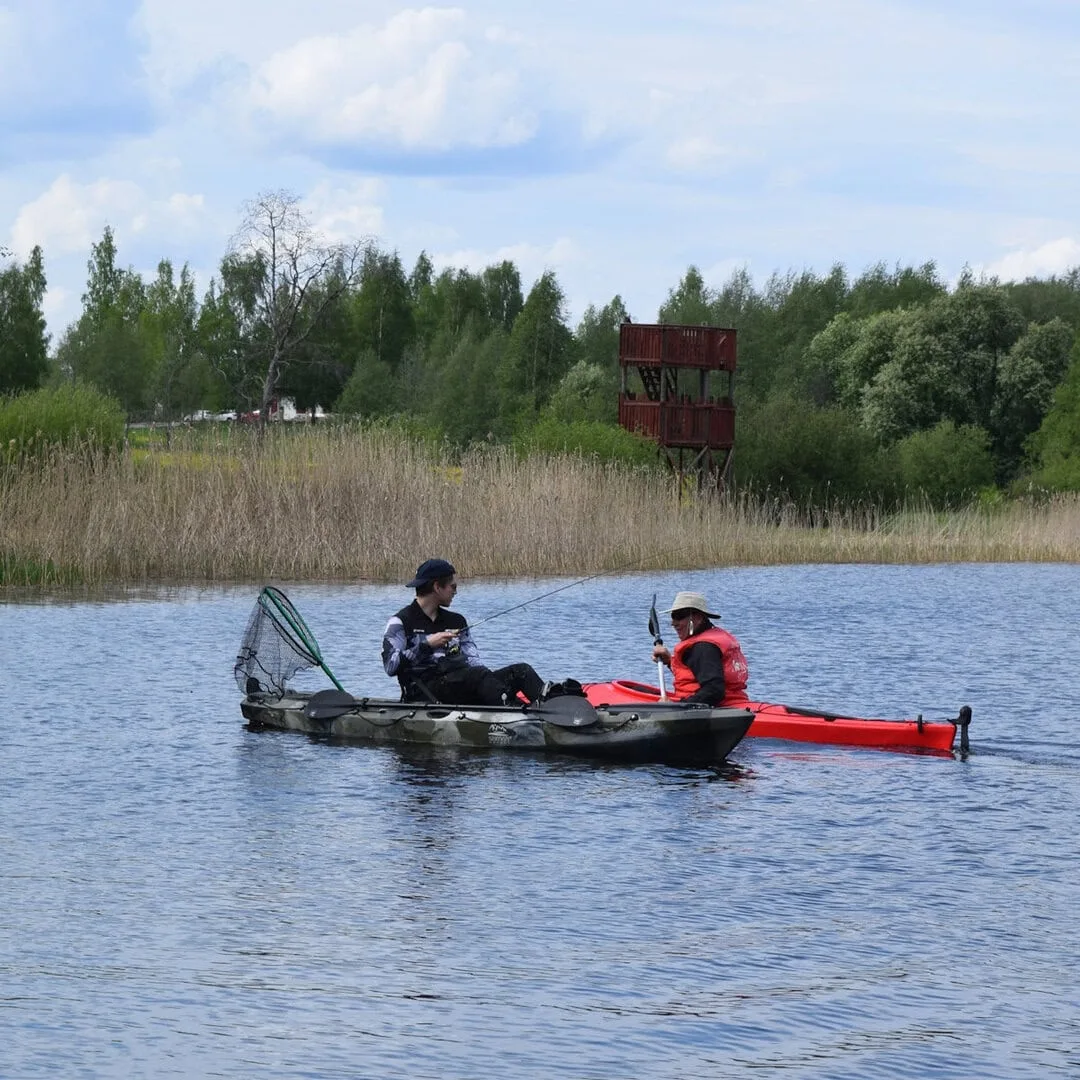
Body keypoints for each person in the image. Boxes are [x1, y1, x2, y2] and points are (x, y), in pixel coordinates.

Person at [382, 558, 545, 707]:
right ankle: (516, 711)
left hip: (463, 683)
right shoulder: (400, 622)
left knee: (522, 671)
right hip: (425, 692)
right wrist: (427, 645)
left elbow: (473, 661)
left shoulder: (457, 621)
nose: (455, 592)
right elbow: (391, 666)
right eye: (453, 587)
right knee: (477, 676)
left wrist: (492, 682)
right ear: (437, 587)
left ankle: (551, 707)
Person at [651, 590, 749, 706]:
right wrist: (670, 662)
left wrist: (676, 707)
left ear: (698, 617)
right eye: (673, 616)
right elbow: (699, 672)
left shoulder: (702, 648)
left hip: (718, 709)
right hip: (736, 703)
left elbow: (714, 691)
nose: (673, 623)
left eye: (679, 616)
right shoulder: (714, 637)